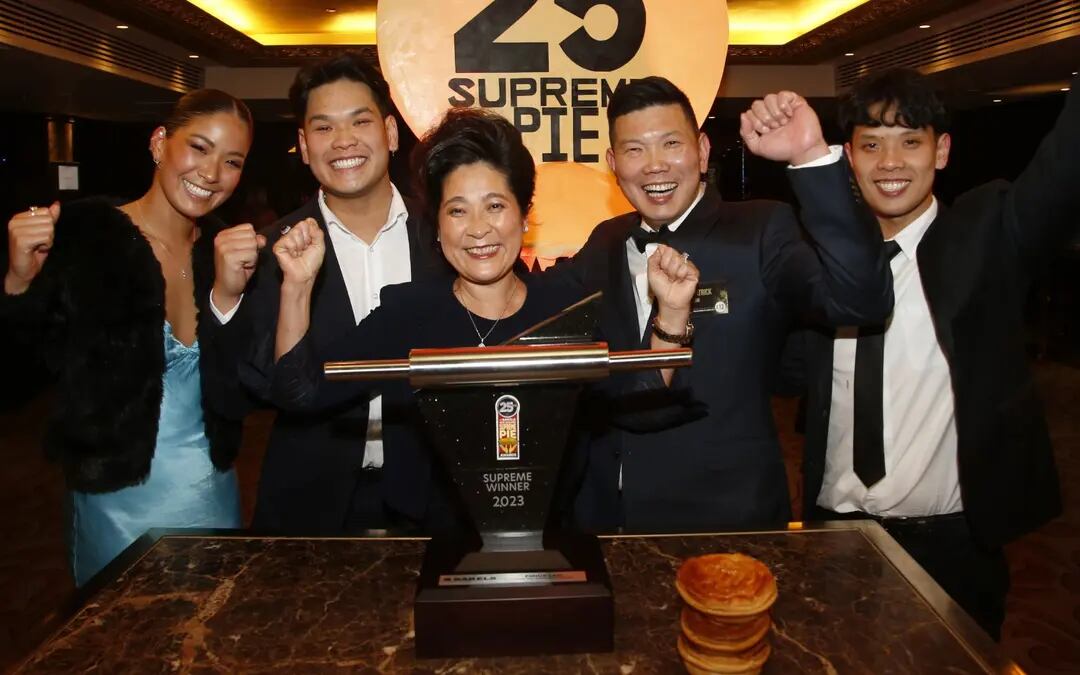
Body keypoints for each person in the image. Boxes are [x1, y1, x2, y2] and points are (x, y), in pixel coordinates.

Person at [253, 108, 698, 533]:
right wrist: (296, 284)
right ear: (439, 227)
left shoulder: (563, 306)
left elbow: (641, 399)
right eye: (457, 210)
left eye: (495, 206)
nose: (478, 229)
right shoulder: (408, 311)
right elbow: (299, 391)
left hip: (549, 540)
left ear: (524, 217)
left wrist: (673, 312)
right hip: (433, 545)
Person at [783, 69, 1078, 640]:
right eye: (871, 145)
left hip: (951, 546)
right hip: (831, 536)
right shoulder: (820, 261)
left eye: (910, 141)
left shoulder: (987, 236)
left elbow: (1066, 165)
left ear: (941, 151)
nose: (890, 162)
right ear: (848, 157)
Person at [563, 77, 893, 533]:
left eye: (670, 144)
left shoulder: (760, 230)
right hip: (605, 524)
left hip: (726, 519)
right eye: (635, 150)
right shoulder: (605, 240)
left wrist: (811, 154)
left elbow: (860, 301)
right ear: (613, 163)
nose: (654, 166)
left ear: (700, 151)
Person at [1, 89, 253, 586]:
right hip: (115, 498)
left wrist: (233, 296)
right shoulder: (85, 235)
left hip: (212, 490)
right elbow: (15, 375)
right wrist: (17, 283)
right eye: (198, 147)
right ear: (159, 143)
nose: (211, 173)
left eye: (232, 161)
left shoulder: (228, 252)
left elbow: (246, 384)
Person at [201, 53, 452, 534]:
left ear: (391, 133)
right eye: (323, 128)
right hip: (311, 501)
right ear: (303, 144)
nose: (343, 142)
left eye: (360, 121)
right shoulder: (273, 248)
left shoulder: (447, 235)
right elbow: (247, 388)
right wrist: (228, 299)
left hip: (434, 495)